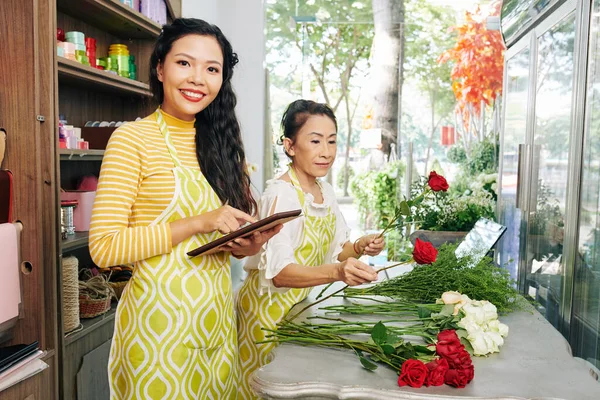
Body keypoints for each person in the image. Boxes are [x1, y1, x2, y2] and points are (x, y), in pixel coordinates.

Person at [89, 18, 281, 399]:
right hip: (157, 332)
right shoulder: (131, 139)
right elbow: (105, 247)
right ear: (160, 68)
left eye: (212, 69)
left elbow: (220, 235)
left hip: (216, 325)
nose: (198, 78)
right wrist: (197, 222)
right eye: (184, 63)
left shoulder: (221, 144)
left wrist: (247, 245)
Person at [236, 100, 385, 399]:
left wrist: (359, 246)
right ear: (290, 146)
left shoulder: (324, 191)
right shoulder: (281, 194)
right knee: (264, 390)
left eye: (331, 141)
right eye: (315, 141)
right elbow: (279, 274)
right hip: (266, 316)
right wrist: (338, 272)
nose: (326, 151)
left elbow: (338, 251)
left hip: (298, 309)